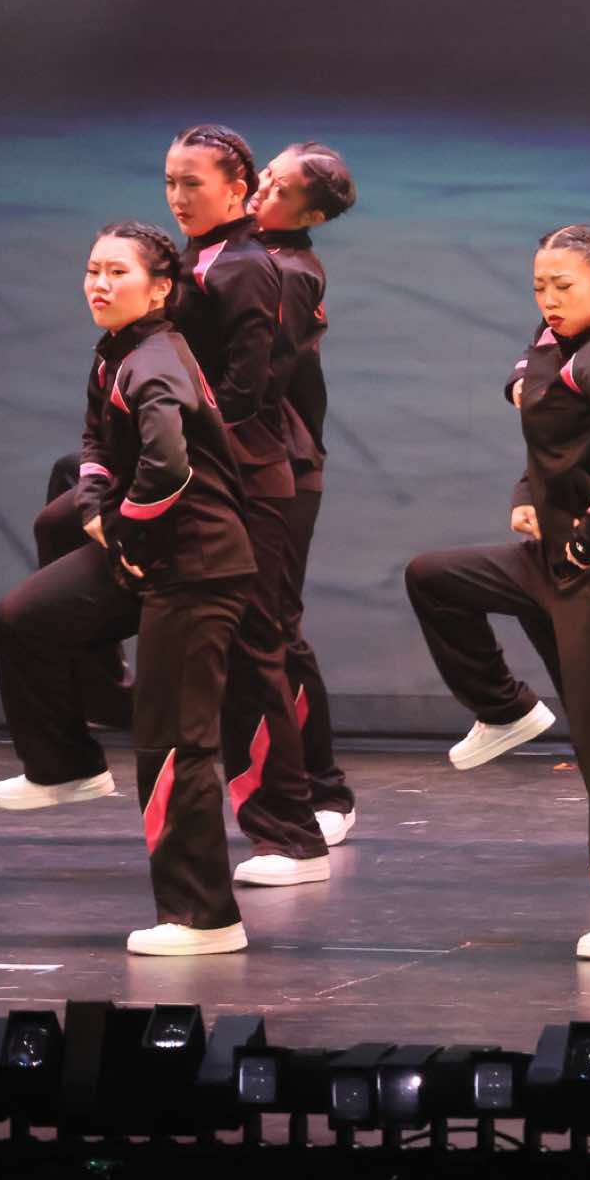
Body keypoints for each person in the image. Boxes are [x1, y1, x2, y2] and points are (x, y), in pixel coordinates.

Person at [405, 225, 590, 959]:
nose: (549, 299)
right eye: (539, 287)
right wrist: (529, 490)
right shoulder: (556, 337)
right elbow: (528, 378)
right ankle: (507, 709)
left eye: (563, 287)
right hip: (550, 561)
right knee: (433, 577)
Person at [0, 222, 252, 955]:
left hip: (198, 568)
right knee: (23, 619)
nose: (99, 284)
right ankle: (65, 765)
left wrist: (126, 533)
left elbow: (169, 468)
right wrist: (96, 511)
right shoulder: (116, 352)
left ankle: (205, 919)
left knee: (174, 743)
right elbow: (96, 447)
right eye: (92, 270)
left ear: (160, 289)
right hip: (149, 557)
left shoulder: (155, 363)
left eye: (117, 272)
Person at [164, 124, 330, 884]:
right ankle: (72, 736)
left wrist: (193, 450)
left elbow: (251, 385)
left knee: (262, 644)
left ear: (235, 190)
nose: (177, 196)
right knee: (66, 509)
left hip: (253, 473)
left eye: (191, 183)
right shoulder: (201, 257)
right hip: (217, 467)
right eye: (170, 181)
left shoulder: (259, 267)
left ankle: (294, 828)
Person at [250, 142, 359, 845]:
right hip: (243, 462)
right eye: (266, 174)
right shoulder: (243, 251)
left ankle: (326, 790)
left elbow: (256, 380)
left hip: (283, 467)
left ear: (310, 214)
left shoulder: (289, 272)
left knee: (277, 632)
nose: (262, 187)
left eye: (280, 188)